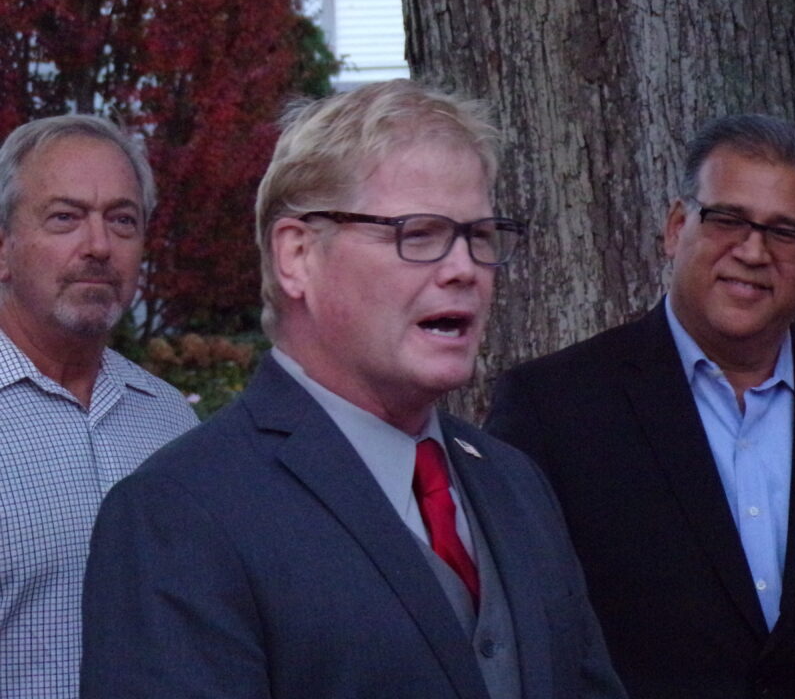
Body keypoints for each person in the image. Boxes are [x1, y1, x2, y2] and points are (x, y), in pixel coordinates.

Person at [80, 79, 626, 699]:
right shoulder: (179, 512)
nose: (464, 269)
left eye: (479, 236)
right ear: (297, 256)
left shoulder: (515, 482)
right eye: (418, 233)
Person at [486, 114, 795, 698]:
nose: (753, 251)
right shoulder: (553, 409)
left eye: (784, 232)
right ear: (677, 227)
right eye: (727, 219)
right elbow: (518, 651)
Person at [0, 115, 198, 699]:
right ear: (3, 247)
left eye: (122, 220)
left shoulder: (171, 423)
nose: (99, 246)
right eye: (65, 218)